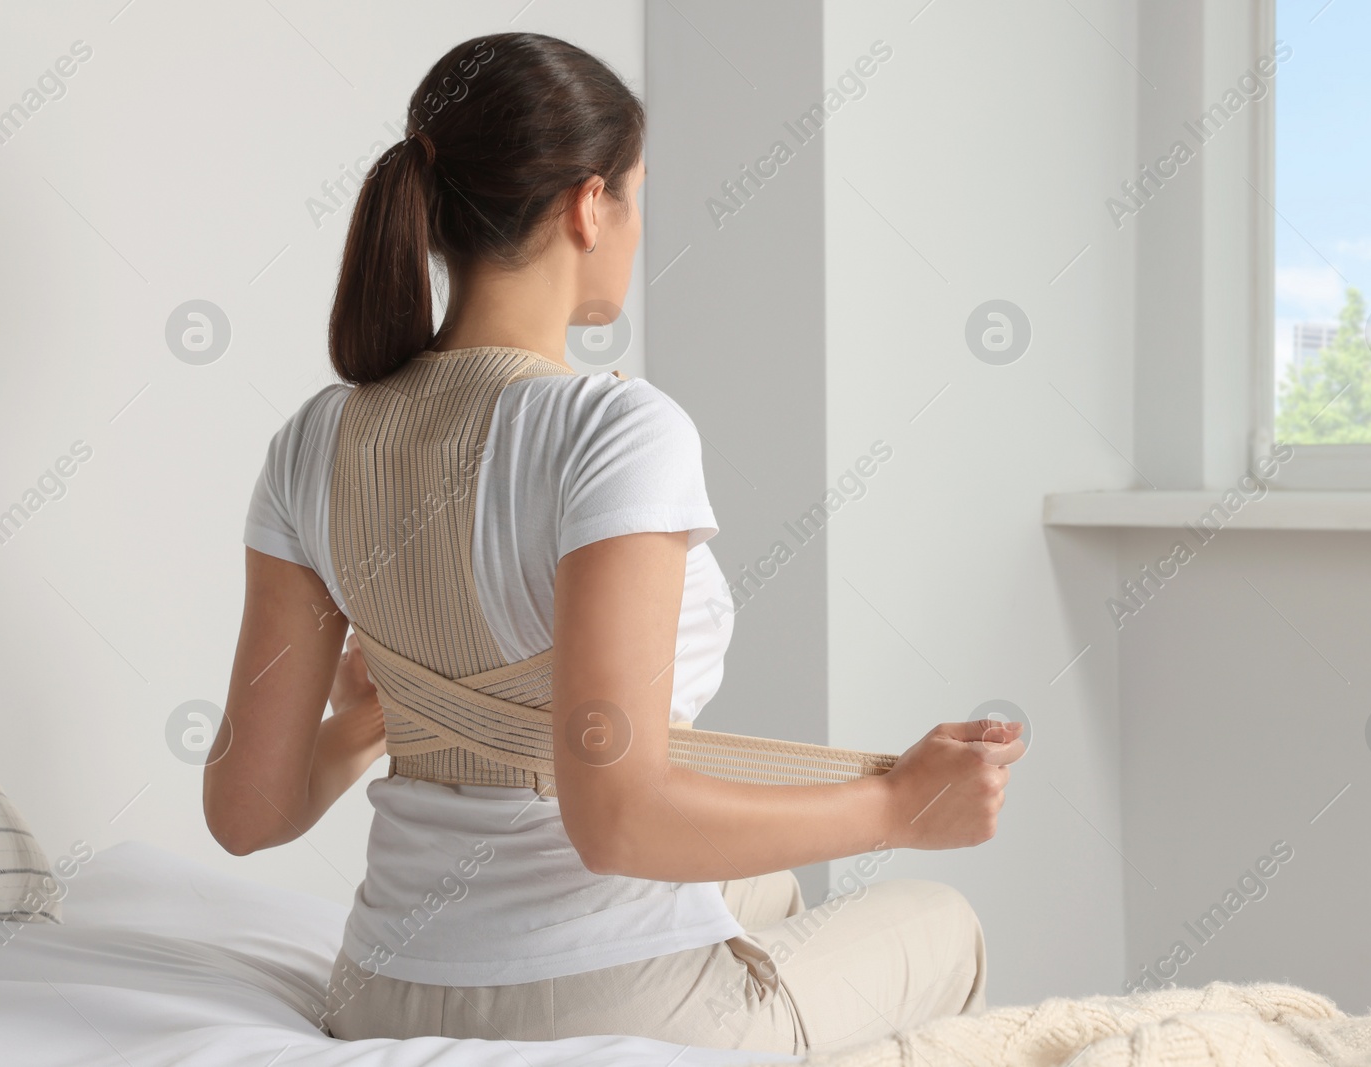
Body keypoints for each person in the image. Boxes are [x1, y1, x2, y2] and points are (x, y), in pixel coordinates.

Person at [201, 30, 1024, 1056]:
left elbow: (246, 808)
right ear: (590, 204)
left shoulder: (313, 439)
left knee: (766, 884)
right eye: (635, 195)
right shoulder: (614, 430)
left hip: (381, 986)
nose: (635, 225)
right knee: (940, 919)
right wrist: (900, 805)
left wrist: (396, 713)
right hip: (600, 997)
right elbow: (617, 819)